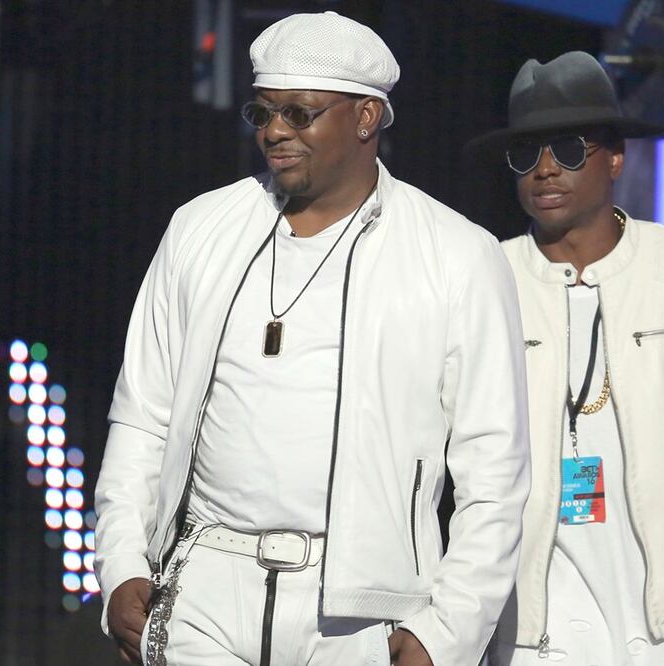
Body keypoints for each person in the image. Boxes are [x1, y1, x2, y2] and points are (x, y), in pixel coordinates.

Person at [94, 12, 530, 666]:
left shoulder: (457, 256)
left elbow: (494, 467)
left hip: (362, 610)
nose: (274, 130)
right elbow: (142, 418)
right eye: (263, 111)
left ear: (366, 117)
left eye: (299, 113)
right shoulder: (200, 229)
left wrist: (447, 632)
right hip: (203, 585)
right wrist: (123, 563)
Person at [468, 52, 664, 666]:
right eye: (525, 153)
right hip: (526, 628)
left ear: (615, 157)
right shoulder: (484, 278)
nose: (544, 169)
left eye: (568, 149)